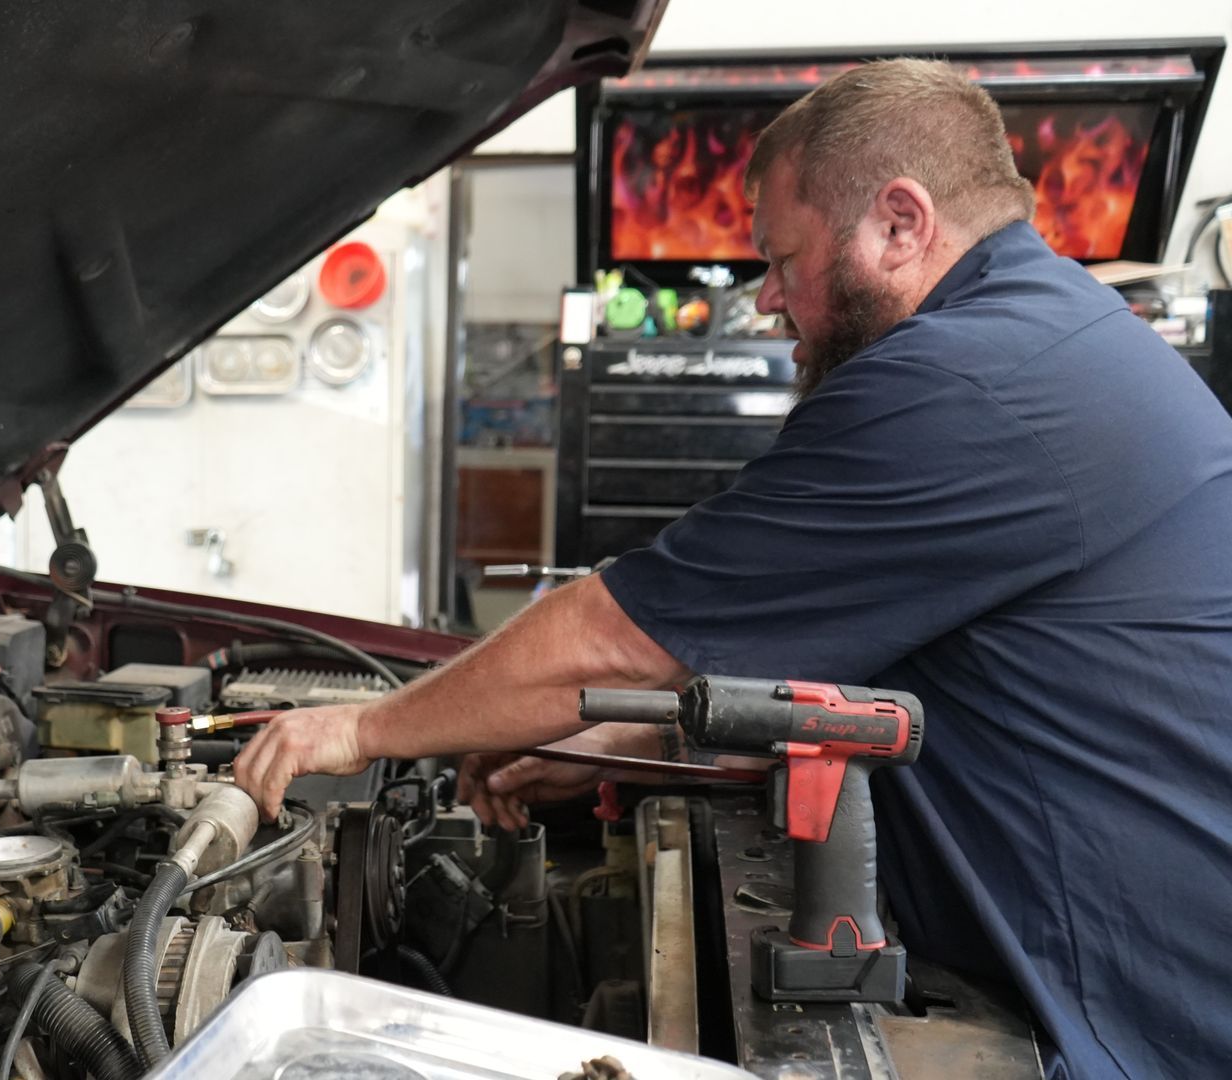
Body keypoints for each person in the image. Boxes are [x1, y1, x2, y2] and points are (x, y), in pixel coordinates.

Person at [233, 59, 1232, 1080]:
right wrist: (629, 737)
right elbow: (891, 672)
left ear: (899, 222)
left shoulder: (971, 383)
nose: (764, 300)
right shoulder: (1038, 330)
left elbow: (621, 631)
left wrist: (359, 727)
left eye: (780, 257)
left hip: (1141, 1012)